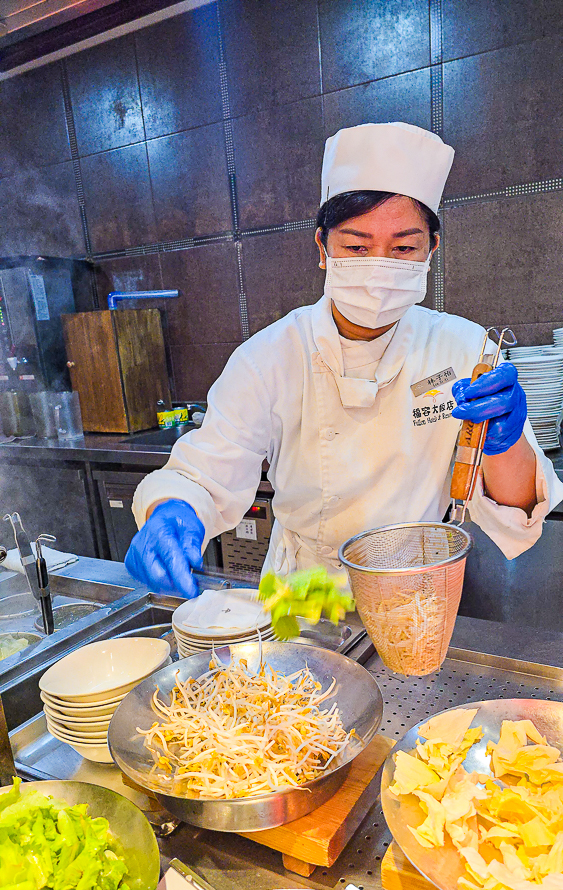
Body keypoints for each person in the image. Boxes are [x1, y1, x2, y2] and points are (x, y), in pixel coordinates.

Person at [125, 122, 563, 598]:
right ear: (322, 248)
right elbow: (205, 473)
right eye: (356, 246)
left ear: (431, 249)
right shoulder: (270, 356)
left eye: (404, 247)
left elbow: (517, 511)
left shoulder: (465, 348)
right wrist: (175, 510)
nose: (379, 265)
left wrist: (504, 443)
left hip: (416, 589)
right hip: (301, 597)